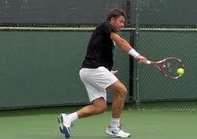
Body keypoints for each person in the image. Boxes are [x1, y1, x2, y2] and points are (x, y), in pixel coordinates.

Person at [57, 8, 148, 138]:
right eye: (120, 22)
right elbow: (121, 42)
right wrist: (138, 56)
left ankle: (68, 118)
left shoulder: (106, 38)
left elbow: (98, 53)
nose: (122, 25)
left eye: (124, 22)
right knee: (121, 91)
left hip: (88, 71)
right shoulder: (106, 27)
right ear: (112, 20)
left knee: (100, 107)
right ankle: (114, 127)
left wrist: (108, 71)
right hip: (93, 69)